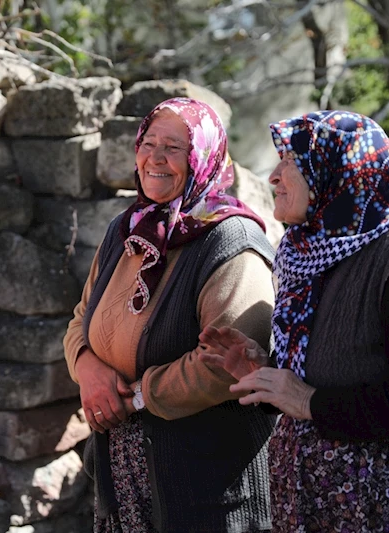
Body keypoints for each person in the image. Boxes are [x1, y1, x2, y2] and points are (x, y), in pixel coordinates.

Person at [199, 110, 389, 532]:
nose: (274, 176)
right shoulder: (311, 253)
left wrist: (309, 402)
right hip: (329, 500)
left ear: (336, 171)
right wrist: (269, 375)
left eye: (290, 162)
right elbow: (340, 364)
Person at [64, 97, 278, 532]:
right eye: (149, 143)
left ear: (204, 156)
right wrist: (87, 368)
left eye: (174, 148)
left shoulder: (231, 242)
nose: (155, 158)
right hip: (125, 472)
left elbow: (226, 364)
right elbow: (81, 318)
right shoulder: (129, 228)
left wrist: (138, 396)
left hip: (204, 483)